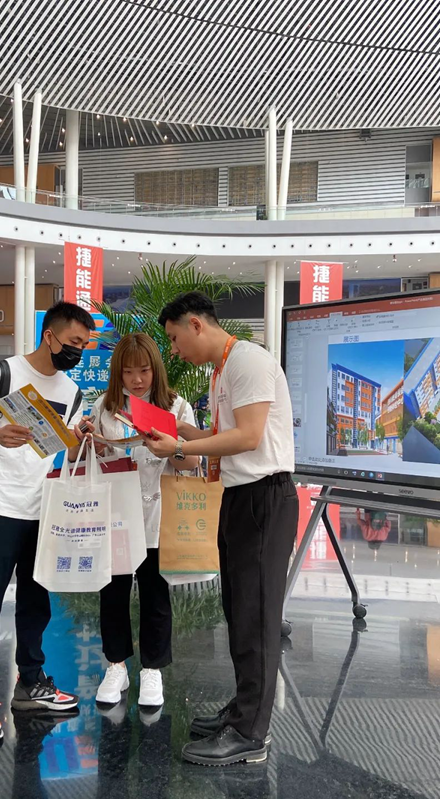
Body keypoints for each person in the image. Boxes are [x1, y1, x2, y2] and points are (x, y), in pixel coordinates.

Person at [141, 292, 298, 767]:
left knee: (257, 617)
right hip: (239, 496)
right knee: (238, 610)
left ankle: (251, 733)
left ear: (196, 324)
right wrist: (178, 434)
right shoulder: (222, 370)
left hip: (264, 497)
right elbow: (223, 438)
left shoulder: (248, 360)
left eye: (174, 338)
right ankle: (243, 708)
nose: (173, 350)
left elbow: (249, 436)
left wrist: (181, 447)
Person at [0, 300, 96, 745]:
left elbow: (62, 448)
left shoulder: (72, 390)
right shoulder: (2, 373)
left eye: (84, 345)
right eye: (73, 342)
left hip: (43, 509)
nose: (78, 351)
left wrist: (80, 437)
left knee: (36, 603)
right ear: (49, 336)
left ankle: (30, 682)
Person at [90, 333, 199, 709]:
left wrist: (171, 446)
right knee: (113, 593)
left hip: (159, 514)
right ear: (117, 373)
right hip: (117, 514)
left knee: (155, 593)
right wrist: (91, 442)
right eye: (128, 372)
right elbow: (91, 456)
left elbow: (193, 461)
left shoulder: (176, 407)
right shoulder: (105, 407)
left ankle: (152, 669)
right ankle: (116, 665)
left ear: (156, 369)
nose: (136, 379)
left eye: (144, 370)